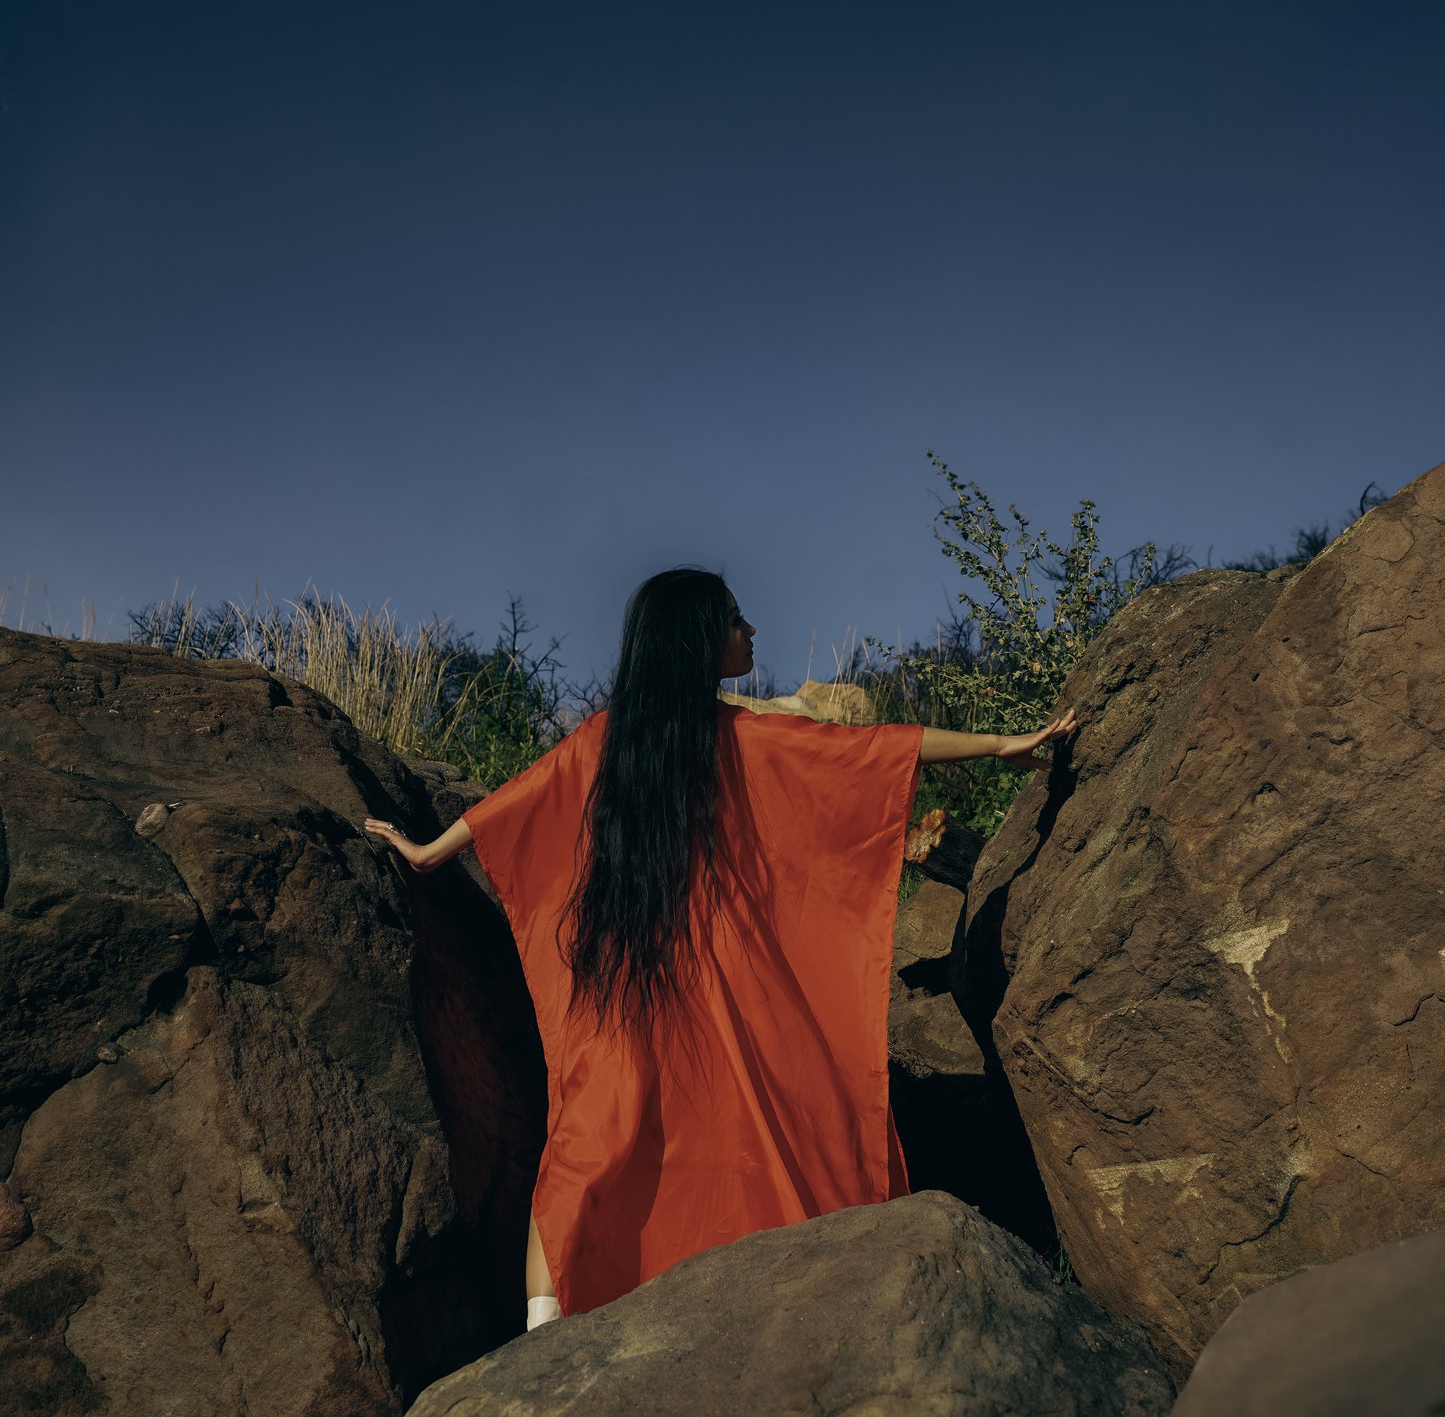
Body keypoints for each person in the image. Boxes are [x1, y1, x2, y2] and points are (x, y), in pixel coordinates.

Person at [366, 570, 1074, 1330]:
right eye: (736, 620)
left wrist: (999, 744)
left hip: (653, 980)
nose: (751, 631)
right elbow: (522, 800)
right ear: (695, 639)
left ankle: (570, 1322)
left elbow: (866, 751)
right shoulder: (648, 738)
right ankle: (544, 1331)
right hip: (655, 979)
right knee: (615, 1131)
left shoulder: (667, 735)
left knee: (616, 1133)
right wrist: (427, 854)